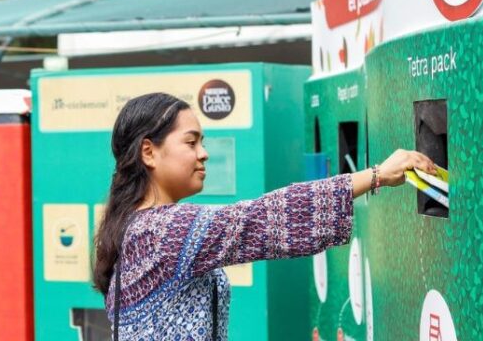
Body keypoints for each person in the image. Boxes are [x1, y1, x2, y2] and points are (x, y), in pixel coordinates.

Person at [94, 92, 437, 340]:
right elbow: (263, 219)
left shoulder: (137, 229)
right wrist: (375, 175)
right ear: (149, 152)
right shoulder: (161, 232)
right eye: (191, 142)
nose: (204, 154)